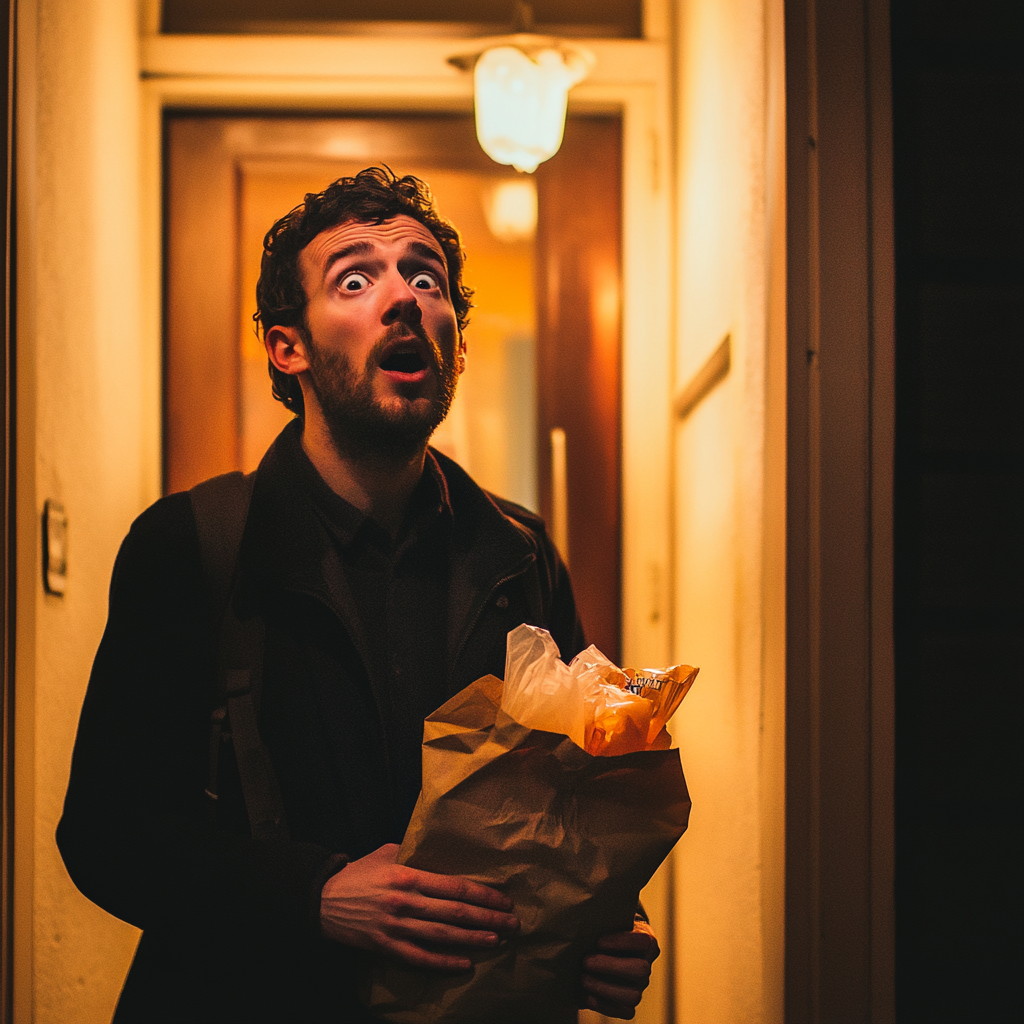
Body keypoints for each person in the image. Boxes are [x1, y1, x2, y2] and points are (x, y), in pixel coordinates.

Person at [58, 167, 659, 1022]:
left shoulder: (520, 557)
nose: (406, 298)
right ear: (287, 347)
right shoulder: (191, 546)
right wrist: (313, 894)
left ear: (453, 338)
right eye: (355, 277)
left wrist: (603, 933)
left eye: (426, 278)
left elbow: (577, 806)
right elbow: (106, 838)